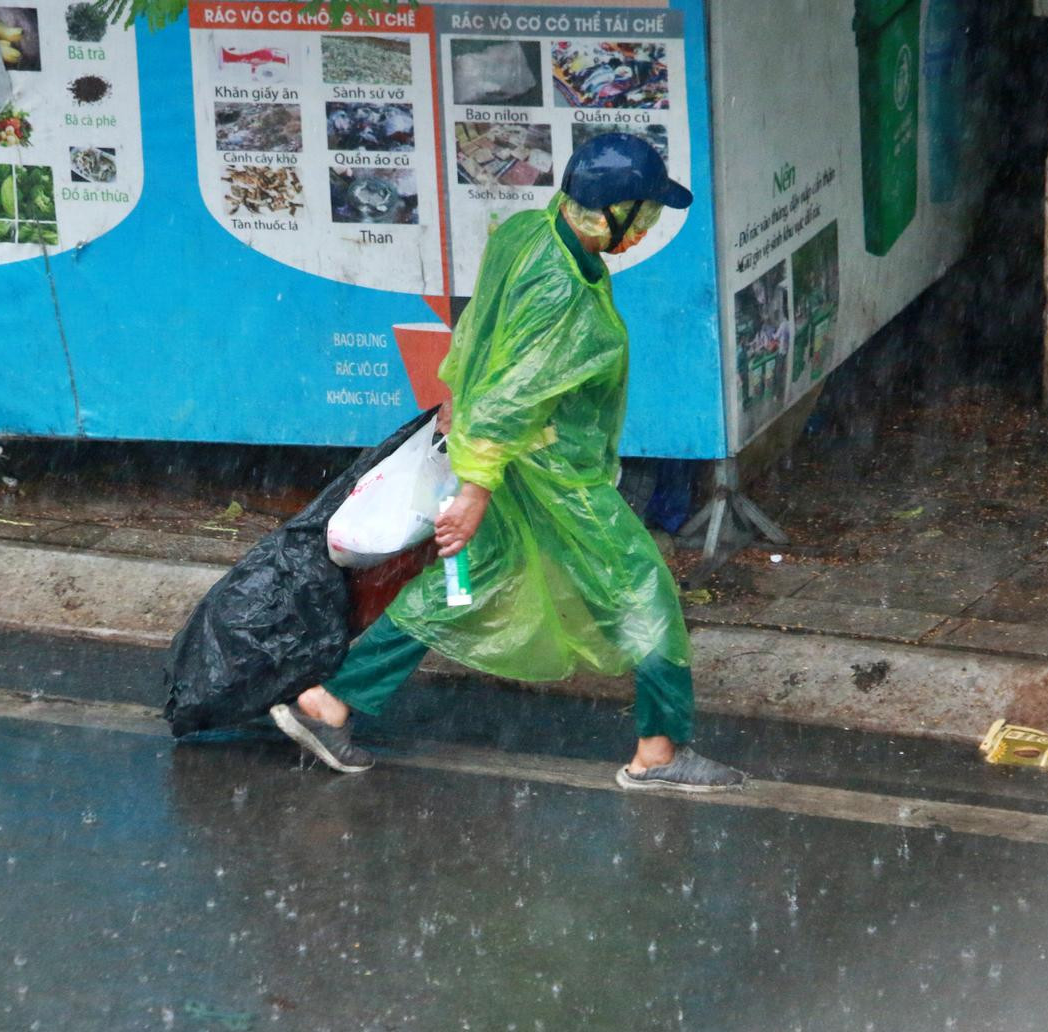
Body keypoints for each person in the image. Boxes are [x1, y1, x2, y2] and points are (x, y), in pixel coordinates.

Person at [273, 133, 746, 793]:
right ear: (609, 212)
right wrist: (473, 491)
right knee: (646, 593)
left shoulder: (528, 232)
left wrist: (457, 395)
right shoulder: (564, 297)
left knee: (469, 581)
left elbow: (481, 329)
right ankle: (660, 754)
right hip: (553, 474)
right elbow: (511, 396)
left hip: (517, 463)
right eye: (641, 213)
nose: (647, 227)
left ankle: (327, 704)